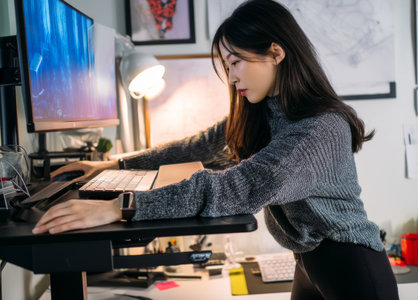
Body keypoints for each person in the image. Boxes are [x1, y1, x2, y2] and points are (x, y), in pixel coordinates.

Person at [33, 0, 399, 299]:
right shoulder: (268, 113)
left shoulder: (318, 128)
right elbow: (199, 145)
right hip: (309, 259)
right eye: (227, 65)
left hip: (354, 266)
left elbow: (234, 187)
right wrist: (116, 163)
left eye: (236, 62)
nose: (231, 76)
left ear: (275, 52)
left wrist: (120, 207)